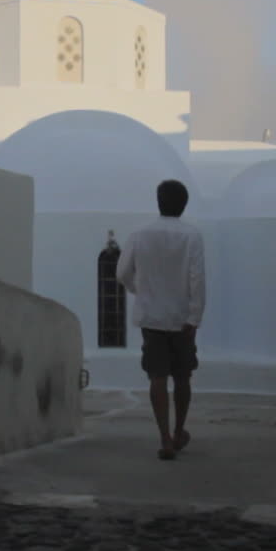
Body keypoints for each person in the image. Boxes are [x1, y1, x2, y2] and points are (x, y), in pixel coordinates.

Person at [116, 179, 206, 461]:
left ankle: (165, 439)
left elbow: (122, 273)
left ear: (159, 201)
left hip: (151, 317)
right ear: (184, 204)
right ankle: (179, 431)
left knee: (157, 376)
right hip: (182, 320)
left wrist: (139, 291)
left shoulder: (139, 235)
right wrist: (195, 316)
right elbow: (197, 279)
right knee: (183, 376)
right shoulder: (192, 236)